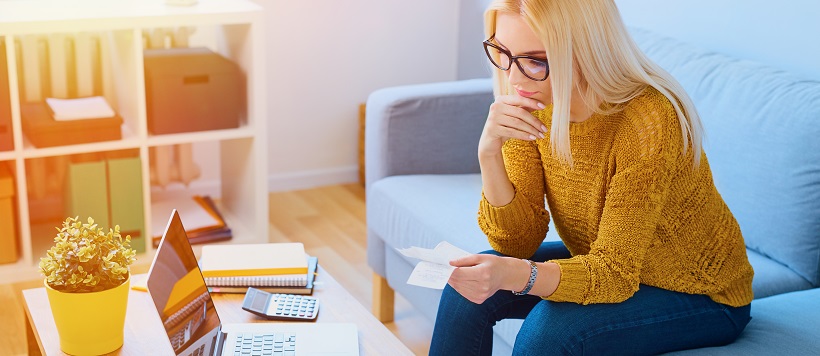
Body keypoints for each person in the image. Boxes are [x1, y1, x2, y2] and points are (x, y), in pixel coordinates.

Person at [428, 0, 754, 355]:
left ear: (585, 51)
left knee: (550, 331)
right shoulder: (533, 101)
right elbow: (516, 244)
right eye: (503, 53)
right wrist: (488, 153)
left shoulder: (648, 121)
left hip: (700, 291)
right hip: (606, 259)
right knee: (465, 287)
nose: (514, 77)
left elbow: (613, 274)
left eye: (536, 61)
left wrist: (513, 274)